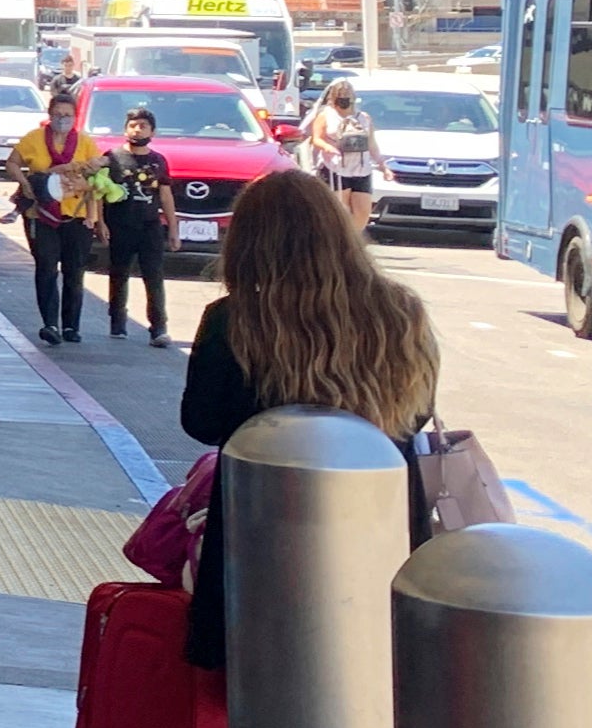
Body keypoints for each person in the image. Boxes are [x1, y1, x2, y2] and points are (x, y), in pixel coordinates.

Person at [177, 173, 436, 670]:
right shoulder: (401, 312)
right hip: (381, 530)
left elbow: (202, 422)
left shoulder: (233, 319)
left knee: (260, 691)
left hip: (261, 540)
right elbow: (417, 415)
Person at [8, 88, 105, 344]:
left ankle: (71, 326)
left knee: (74, 271)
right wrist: (26, 184)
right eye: (58, 114)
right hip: (40, 214)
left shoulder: (85, 143)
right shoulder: (34, 138)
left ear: (75, 117)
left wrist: (92, 212)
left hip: (76, 214)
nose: (62, 118)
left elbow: (99, 180)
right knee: (46, 267)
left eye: (68, 114)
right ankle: (50, 323)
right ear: (49, 115)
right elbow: (12, 163)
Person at [101, 106, 181, 344]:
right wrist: (100, 223)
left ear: (153, 131)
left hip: (150, 226)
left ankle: (158, 327)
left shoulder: (158, 161)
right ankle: (117, 322)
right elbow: (98, 192)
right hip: (120, 225)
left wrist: (173, 230)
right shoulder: (112, 157)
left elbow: (165, 197)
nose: (137, 130)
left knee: (154, 275)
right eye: (133, 125)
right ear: (125, 129)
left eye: (143, 126)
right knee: (118, 273)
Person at [294, 79, 387, 211]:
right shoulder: (325, 116)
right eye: (340, 95)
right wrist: (328, 147)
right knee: (338, 210)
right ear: (333, 97)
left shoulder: (364, 118)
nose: (344, 98)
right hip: (335, 169)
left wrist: (382, 165)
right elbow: (317, 138)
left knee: (362, 212)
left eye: (347, 95)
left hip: (361, 169)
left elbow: (371, 144)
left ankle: (356, 231)